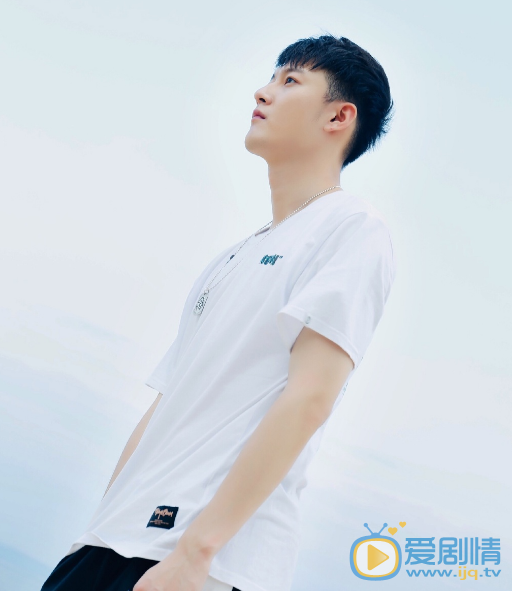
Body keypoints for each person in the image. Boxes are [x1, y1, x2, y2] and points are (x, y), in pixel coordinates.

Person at [40, 33, 396, 591]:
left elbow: (310, 398)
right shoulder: (235, 255)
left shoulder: (352, 228)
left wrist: (195, 554)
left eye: (290, 80)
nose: (263, 91)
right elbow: (165, 404)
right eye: (271, 77)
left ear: (338, 116)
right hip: (110, 545)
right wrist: (95, 530)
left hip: (199, 560)